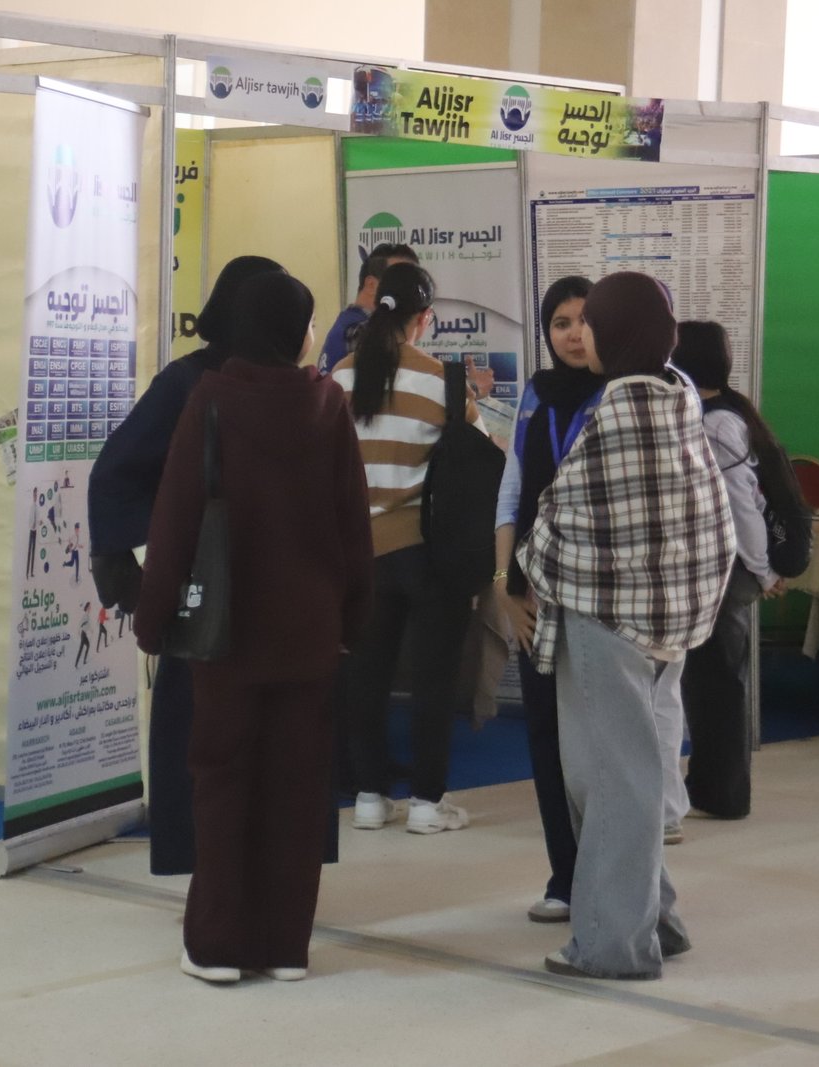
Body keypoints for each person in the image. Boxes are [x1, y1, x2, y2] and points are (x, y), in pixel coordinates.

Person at [133, 273, 374, 985]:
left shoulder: (210, 399)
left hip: (227, 633)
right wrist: (353, 619)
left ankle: (217, 945)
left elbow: (175, 519)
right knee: (297, 787)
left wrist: (152, 618)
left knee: (223, 780)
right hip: (310, 633)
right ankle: (284, 945)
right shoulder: (328, 405)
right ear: (288, 330)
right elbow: (353, 528)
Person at [514, 271, 735, 980]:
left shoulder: (616, 411)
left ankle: (612, 944)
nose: (582, 334)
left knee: (609, 779)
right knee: (630, 772)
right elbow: (709, 516)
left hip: (604, 616)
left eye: (591, 322)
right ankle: (655, 918)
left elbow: (559, 520)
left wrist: (526, 565)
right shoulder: (678, 397)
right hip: (668, 614)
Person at [87, 254, 286, 876]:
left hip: (272, 592)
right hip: (201, 590)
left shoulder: (293, 385)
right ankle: (197, 861)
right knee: (194, 728)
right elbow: (117, 470)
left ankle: (257, 866)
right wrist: (128, 567)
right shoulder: (188, 381)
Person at [333, 262, 485, 835]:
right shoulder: (443, 381)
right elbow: (474, 461)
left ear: (376, 308)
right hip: (428, 552)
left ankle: (369, 797)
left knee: (365, 677)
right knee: (434, 678)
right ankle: (426, 802)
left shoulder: (338, 378)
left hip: (359, 555)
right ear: (426, 319)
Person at [493, 274, 596, 923]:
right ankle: (565, 876)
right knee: (546, 737)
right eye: (561, 322)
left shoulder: (623, 393)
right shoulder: (535, 392)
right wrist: (503, 584)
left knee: (599, 745)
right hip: (535, 593)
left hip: (598, 598)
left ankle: (609, 877)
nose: (574, 334)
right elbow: (512, 489)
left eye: (585, 320)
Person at [669, 321, 788, 821]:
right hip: (721, 569)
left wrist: (763, 569)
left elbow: (742, 504)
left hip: (724, 570)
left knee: (718, 687)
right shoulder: (721, 414)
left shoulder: (716, 423)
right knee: (712, 684)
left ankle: (723, 793)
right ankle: (711, 787)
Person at [318, 243, 418, 375]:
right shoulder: (361, 331)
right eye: (399, 281)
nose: (408, 291)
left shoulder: (349, 323)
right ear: (371, 285)